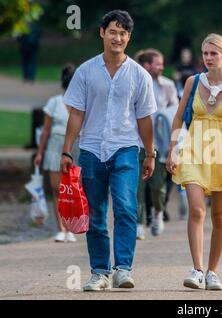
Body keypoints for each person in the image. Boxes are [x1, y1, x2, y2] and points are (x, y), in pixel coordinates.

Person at [60, 10, 157, 291]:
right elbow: (76, 113)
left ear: (129, 38)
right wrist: (67, 151)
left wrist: (150, 154)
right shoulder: (86, 71)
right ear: (102, 33)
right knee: (96, 213)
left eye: (123, 33)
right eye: (113, 31)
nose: (118, 37)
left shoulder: (139, 75)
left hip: (126, 148)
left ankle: (123, 269)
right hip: (91, 149)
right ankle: (99, 272)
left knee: (126, 208)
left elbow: (145, 119)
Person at [166, 33, 222, 290]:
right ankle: (197, 269)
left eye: (214, 53)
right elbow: (179, 117)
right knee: (197, 209)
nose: (209, 58)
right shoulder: (193, 82)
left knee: (220, 215)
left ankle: (213, 271)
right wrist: (172, 149)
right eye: (205, 53)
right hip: (194, 150)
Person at [134, 48, 180, 239]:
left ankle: (158, 212)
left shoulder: (168, 86)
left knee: (157, 185)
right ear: (147, 65)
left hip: (158, 142)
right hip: (136, 141)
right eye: (158, 64)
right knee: (137, 187)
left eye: (162, 64)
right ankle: (138, 223)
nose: (162, 67)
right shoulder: (135, 83)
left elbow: (175, 113)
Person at [34, 64, 79, 243]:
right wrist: (40, 152)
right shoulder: (54, 102)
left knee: (74, 189)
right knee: (57, 189)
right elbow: (45, 130)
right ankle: (61, 228)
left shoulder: (83, 102)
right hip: (55, 145)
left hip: (77, 145)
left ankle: (72, 227)